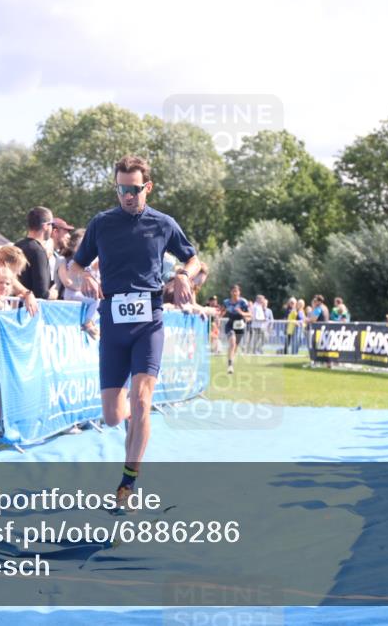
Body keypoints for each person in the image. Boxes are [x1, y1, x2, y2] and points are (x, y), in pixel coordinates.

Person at [68, 154, 200, 509]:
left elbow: (194, 258)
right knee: (113, 416)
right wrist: (82, 276)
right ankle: (134, 429)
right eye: (121, 189)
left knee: (142, 402)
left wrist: (183, 274)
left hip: (149, 319)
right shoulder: (101, 224)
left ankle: (127, 485)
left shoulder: (163, 223)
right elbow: (75, 264)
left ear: (148, 187)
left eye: (134, 189)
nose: (127, 195)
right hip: (113, 321)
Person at [16, 206, 54, 299]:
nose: (52, 228)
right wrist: (53, 294)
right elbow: (41, 293)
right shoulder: (38, 251)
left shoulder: (17, 246)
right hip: (31, 309)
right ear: (45, 226)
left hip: (16, 307)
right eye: (51, 224)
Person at [223, 285, 252, 372]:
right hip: (230, 324)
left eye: (237, 291)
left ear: (239, 292)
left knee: (235, 346)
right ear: (231, 292)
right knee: (232, 343)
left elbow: (250, 314)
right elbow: (222, 311)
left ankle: (231, 359)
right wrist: (218, 316)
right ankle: (230, 366)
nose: (235, 293)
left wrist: (242, 313)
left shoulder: (243, 302)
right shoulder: (226, 302)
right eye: (233, 291)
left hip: (240, 325)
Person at [50, 216, 75, 299]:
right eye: (65, 231)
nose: (69, 236)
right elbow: (67, 282)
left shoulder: (58, 256)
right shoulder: (54, 257)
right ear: (55, 232)